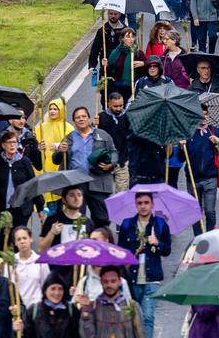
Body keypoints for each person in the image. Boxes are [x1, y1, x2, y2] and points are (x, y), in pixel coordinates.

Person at [117, 191, 172, 338]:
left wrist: (157, 243)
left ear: (152, 204)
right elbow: (120, 251)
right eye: (140, 203)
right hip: (132, 277)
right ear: (135, 204)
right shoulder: (127, 224)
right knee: (133, 317)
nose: (143, 206)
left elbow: (167, 250)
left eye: (146, 203)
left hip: (152, 277)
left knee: (148, 317)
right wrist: (133, 253)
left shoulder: (160, 224)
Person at [50, 106, 116, 225]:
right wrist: (60, 150)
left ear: (89, 118)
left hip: (98, 182)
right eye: (77, 117)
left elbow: (113, 152)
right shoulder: (68, 138)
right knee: (77, 221)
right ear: (74, 121)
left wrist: (111, 164)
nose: (81, 119)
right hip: (76, 184)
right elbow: (56, 160)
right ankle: (81, 242)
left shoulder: (102, 135)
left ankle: (99, 242)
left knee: (102, 218)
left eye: (84, 116)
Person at [77, 266, 141, 338]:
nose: (109, 285)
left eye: (113, 281)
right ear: (101, 282)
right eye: (105, 281)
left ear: (119, 282)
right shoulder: (93, 307)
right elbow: (86, 335)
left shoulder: (132, 306)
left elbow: (140, 333)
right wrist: (86, 314)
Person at [5, 227, 48, 308]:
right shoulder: (10, 262)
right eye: (19, 239)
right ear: (15, 243)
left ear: (31, 239)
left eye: (25, 238)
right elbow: (7, 287)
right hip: (17, 309)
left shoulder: (41, 262)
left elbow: (46, 286)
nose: (22, 241)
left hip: (37, 309)